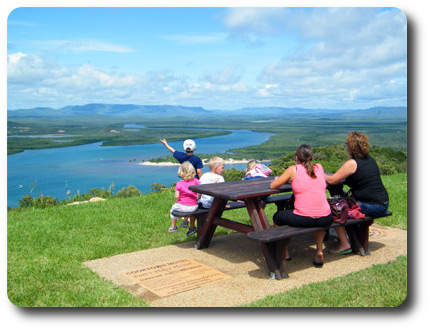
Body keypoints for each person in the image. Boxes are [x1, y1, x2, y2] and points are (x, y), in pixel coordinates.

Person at [326, 131, 389, 255]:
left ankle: (345, 244)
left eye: (346, 144)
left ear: (351, 146)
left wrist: (319, 173)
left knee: (334, 209)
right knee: (339, 201)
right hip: (382, 203)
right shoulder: (371, 160)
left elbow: (332, 180)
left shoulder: (352, 163)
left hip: (371, 205)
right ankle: (354, 240)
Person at [270, 144, 333, 267]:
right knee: (318, 219)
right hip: (326, 217)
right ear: (312, 157)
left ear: (297, 158)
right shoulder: (319, 167)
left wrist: (278, 179)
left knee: (278, 216)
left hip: (304, 218)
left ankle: (285, 251)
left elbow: (273, 186)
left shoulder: (294, 169)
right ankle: (319, 251)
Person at [161, 138, 204, 229]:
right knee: (192, 200)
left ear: (184, 148)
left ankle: (179, 223)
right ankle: (186, 221)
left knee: (185, 199)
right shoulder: (197, 159)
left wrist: (165, 144)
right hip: (194, 183)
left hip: (185, 182)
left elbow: (173, 151)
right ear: (195, 148)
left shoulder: (181, 157)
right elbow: (199, 171)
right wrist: (202, 181)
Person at [169, 162, 201, 236]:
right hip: (193, 206)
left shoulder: (179, 183)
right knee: (192, 213)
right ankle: (191, 227)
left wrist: (178, 201)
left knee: (172, 210)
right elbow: (199, 193)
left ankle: (173, 226)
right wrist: (197, 199)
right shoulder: (196, 181)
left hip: (182, 206)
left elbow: (176, 197)